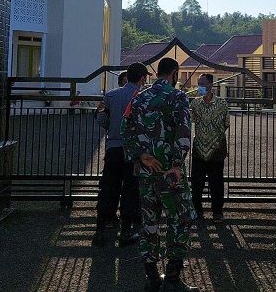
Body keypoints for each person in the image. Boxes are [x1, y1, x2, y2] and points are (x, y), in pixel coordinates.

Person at [122, 57, 199, 292]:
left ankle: (152, 276)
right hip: (170, 174)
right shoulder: (178, 97)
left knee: (149, 222)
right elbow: (184, 131)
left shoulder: (139, 97)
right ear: (174, 74)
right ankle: (173, 279)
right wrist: (177, 164)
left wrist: (140, 155)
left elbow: (125, 129)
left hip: (146, 172)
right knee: (179, 219)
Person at [93, 62, 149, 248]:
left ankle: (100, 230)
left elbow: (100, 117)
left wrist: (112, 127)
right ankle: (126, 233)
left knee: (108, 188)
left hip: (113, 147)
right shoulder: (143, 98)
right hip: (134, 151)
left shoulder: (110, 95)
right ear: (142, 78)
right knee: (130, 190)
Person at [190, 73, 229, 224]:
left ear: (211, 85)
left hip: (216, 149)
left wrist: (214, 138)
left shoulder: (222, 103)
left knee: (216, 183)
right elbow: (192, 121)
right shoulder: (195, 104)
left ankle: (217, 212)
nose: (199, 86)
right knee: (197, 183)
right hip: (199, 149)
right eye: (198, 83)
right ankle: (197, 210)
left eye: (202, 83)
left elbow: (226, 123)